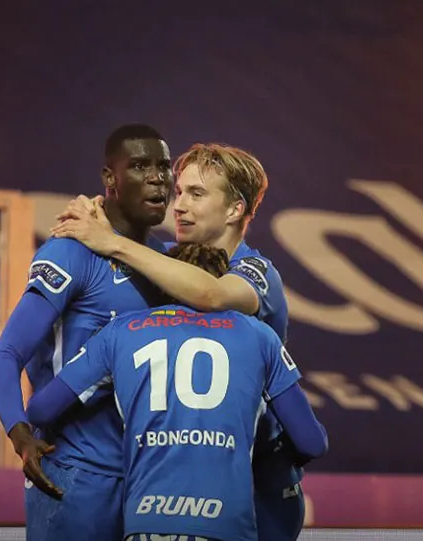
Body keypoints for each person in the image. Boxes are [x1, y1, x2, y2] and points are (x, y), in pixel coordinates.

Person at [51, 143, 304, 539]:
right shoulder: (172, 259)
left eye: (197, 194)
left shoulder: (256, 270)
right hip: (179, 478)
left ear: (235, 210)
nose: (178, 206)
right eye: (180, 191)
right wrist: (95, 219)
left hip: (259, 484)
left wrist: (112, 241)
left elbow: (210, 294)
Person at [26, 243, 328, 541]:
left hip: (145, 523)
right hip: (228, 526)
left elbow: (41, 410)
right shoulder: (260, 336)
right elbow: (311, 442)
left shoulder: (120, 332)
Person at [0, 123, 174, 540]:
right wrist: (21, 436)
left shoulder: (164, 263)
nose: (158, 177)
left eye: (164, 166)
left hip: (145, 481)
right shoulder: (70, 250)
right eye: (140, 166)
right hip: (76, 474)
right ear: (110, 179)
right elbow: (7, 355)